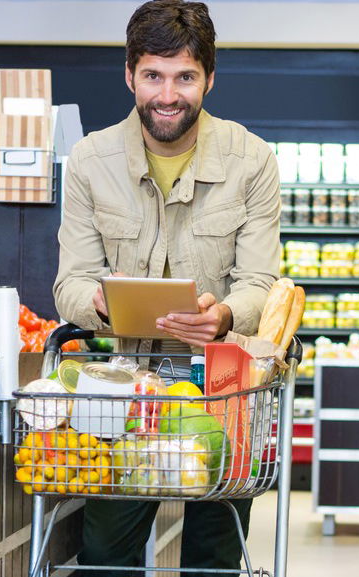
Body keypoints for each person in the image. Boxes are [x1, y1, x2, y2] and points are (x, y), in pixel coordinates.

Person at [51, 0, 282, 574]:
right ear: (129, 74)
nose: (167, 94)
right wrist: (99, 303)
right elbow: (70, 282)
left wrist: (225, 315)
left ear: (209, 78)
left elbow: (260, 281)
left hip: (226, 387)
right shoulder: (89, 161)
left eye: (185, 77)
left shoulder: (252, 160)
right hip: (127, 391)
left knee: (215, 558)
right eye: (152, 75)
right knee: (106, 553)